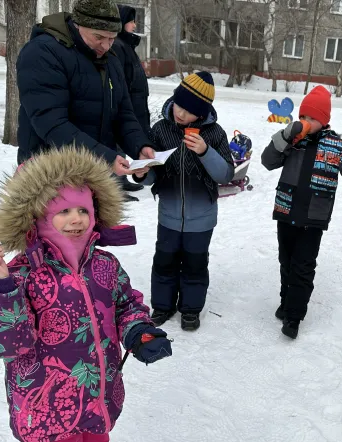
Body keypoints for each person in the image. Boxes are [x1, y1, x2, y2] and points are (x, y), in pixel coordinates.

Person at [0, 146, 172, 442]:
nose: (76, 219)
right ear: (37, 215)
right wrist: (0, 287)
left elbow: (126, 305)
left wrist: (139, 331)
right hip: (45, 409)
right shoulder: (22, 275)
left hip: (99, 398)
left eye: (83, 209)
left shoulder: (105, 264)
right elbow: (4, 345)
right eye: (63, 210)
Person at [261, 85, 342, 339]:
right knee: (286, 262)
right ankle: (286, 301)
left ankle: (294, 316)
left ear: (324, 120)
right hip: (286, 211)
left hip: (313, 218)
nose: (306, 122)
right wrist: (285, 136)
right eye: (303, 116)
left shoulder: (337, 146)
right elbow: (268, 161)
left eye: (312, 118)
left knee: (303, 267)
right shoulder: (291, 141)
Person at [132, 72, 234, 331]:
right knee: (164, 261)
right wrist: (142, 172)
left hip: (202, 219)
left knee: (195, 265)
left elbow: (225, 174)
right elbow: (152, 174)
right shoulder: (160, 130)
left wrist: (205, 151)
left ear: (201, 113)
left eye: (189, 111)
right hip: (168, 215)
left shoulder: (215, 134)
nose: (180, 113)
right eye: (179, 105)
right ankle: (162, 306)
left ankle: (190, 309)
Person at [15, 0, 156, 184]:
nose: (106, 46)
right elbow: (51, 123)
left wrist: (139, 145)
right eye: (99, 37)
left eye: (112, 38)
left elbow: (123, 114)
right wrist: (104, 157)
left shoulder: (110, 59)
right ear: (78, 24)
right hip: (51, 174)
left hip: (95, 174)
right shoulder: (43, 53)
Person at [111, 4, 151, 201]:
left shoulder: (126, 45)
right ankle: (115, 186)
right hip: (124, 105)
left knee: (125, 141)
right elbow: (120, 80)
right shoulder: (118, 46)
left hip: (134, 104)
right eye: (131, 21)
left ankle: (122, 180)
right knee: (118, 142)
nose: (135, 25)